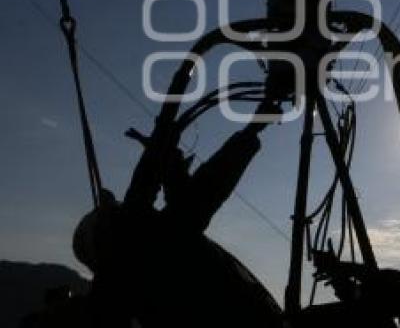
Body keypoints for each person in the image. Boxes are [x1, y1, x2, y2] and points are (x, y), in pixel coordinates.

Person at [72, 113, 282, 328]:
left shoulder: (125, 289)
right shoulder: (165, 243)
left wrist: (164, 155)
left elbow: (181, 198)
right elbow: (198, 193)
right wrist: (252, 129)